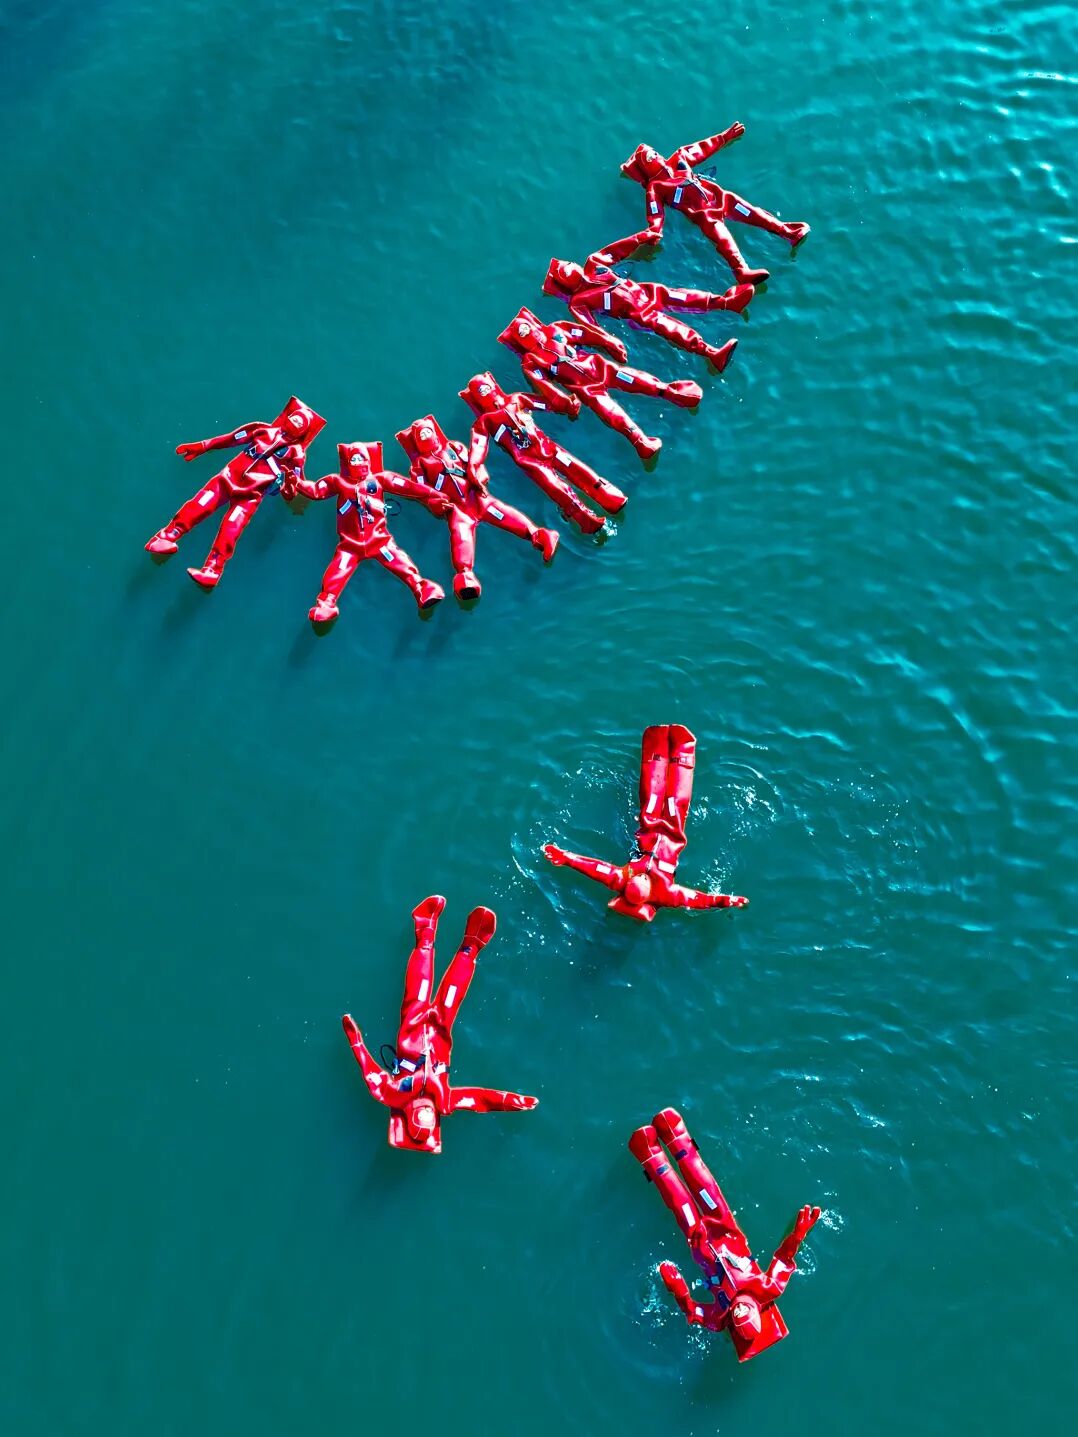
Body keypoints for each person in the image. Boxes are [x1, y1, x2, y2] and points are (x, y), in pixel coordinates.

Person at [341, 897, 539, 1154]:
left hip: (411, 1034)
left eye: (419, 1115)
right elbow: (479, 1099)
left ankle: (425, 928)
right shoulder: (444, 1103)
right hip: (439, 1039)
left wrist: (354, 1038)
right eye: (429, 1116)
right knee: (450, 998)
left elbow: (369, 1071)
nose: (425, 1111)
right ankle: (472, 945)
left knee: (419, 991)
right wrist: (512, 1101)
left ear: (408, 1116)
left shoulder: (391, 1095)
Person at [629, 1108, 821, 1361]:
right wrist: (798, 1234)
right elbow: (784, 1259)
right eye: (745, 1309)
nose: (738, 1307)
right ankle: (676, 1137)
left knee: (680, 1202)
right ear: (756, 1311)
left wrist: (677, 1286)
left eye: (736, 1313)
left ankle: (651, 1156)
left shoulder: (719, 1318)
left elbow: (692, 1311)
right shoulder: (768, 1288)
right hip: (724, 1225)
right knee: (703, 1184)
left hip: (698, 1241)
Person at [542, 724, 748, 922]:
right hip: (673, 832)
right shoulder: (667, 894)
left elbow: (596, 869)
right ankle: (681, 754)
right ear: (648, 892)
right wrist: (726, 900)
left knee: (652, 800)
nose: (641, 876)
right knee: (674, 803)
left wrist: (566, 858)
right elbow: (697, 899)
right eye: (643, 880)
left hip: (648, 827)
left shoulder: (622, 878)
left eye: (637, 878)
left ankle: (657, 755)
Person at [145, 396, 325, 588]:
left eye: (301, 422)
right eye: (296, 417)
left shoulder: (296, 454)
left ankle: (212, 569)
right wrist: (203, 446)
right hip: (226, 479)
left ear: (305, 431)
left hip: (250, 496)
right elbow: (231, 439)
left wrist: (290, 487)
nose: (296, 421)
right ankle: (166, 537)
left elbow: (295, 484)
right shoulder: (260, 430)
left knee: (231, 529)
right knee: (199, 505)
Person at [498, 308, 702, 464]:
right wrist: (565, 402)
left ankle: (675, 394)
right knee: (612, 412)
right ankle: (641, 442)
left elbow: (583, 334)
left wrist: (608, 341)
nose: (526, 332)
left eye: (526, 328)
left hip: (599, 366)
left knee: (637, 380)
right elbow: (544, 385)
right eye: (521, 332)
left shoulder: (555, 329)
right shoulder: (531, 361)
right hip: (585, 389)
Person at [620, 123, 810, 287]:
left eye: (653, 152)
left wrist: (726, 136)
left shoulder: (679, 158)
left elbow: (701, 149)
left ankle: (788, 232)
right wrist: (655, 230)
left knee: (753, 213)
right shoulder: (656, 187)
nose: (654, 155)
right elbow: (655, 212)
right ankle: (741, 271)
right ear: (645, 167)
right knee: (724, 239)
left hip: (721, 198)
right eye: (649, 157)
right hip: (705, 215)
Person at [395, 414, 558, 600]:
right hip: (457, 509)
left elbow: (474, 462)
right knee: (461, 536)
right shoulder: (419, 465)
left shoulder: (453, 447)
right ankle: (465, 577)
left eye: (426, 431)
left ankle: (540, 535)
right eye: (420, 435)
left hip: (477, 496)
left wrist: (480, 476)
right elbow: (422, 490)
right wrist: (434, 503)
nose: (424, 436)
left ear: (433, 433)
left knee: (504, 514)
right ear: (416, 441)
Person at [281, 441, 445, 625]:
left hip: (379, 541)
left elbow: (407, 487)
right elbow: (317, 491)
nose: (357, 462)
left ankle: (421, 588)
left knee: (399, 561)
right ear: (348, 461)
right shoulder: (337, 481)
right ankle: (326, 604)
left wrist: (432, 494)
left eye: (361, 458)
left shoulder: (381, 479)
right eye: (354, 458)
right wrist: (297, 482)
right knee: (338, 571)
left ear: (368, 460)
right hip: (349, 547)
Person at [543, 230, 751, 372]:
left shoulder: (593, 263)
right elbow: (591, 327)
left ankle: (727, 303)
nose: (573, 270)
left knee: (680, 295)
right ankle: (711, 354)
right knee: (669, 327)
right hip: (636, 313)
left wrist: (642, 237)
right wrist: (609, 341)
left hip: (644, 291)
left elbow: (617, 250)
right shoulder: (578, 302)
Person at [460, 372, 626, 536]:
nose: (488, 395)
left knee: (580, 471)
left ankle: (609, 497)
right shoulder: (485, 422)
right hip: (530, 463)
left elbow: (543, 403)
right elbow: (478, 445)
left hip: (550, 449)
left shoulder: (516, 400)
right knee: (557, 488)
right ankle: (587, 521)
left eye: (487, 389)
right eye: (482, 392)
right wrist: (473, 468)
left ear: (493, 386)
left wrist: (566, 405)